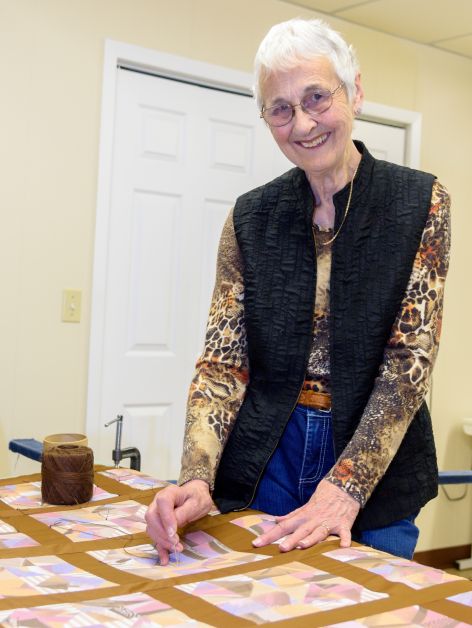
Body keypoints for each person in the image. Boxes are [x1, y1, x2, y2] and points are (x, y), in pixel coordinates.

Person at [145, 18, 451, 564]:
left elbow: (409, 363)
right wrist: (196, 475)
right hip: (269, 455)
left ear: (354, 90)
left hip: (373, 463)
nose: (303, 123)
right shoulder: (250, 216)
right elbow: (223, 364)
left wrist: (346, 487)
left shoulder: (421, 202)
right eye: (280, 109)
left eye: (316, 97)